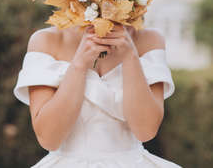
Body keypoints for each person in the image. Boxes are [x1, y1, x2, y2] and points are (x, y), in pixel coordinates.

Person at [13, 23, 182, 167]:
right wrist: (79, 64)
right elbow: (49, 138)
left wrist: (130, 56)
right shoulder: (46, 40)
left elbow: (146, 131)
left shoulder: (148, 39)